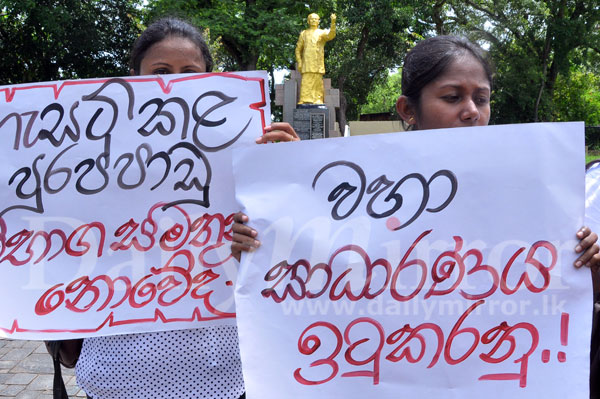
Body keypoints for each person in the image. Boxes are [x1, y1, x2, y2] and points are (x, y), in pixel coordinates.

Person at [232, 35, 600, 268]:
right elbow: (302, 268)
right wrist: (269, 224)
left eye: (481, 99)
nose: (472, 111)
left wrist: (586, 263)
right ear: (408, 109)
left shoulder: (531, 190)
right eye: (452, 97)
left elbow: (561, 292)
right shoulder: (357, 188)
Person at [75, 17, 298, 399]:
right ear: (135, 76)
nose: (172, 83)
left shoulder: (249, 147)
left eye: (188, 72)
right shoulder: (91, 150)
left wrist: (291, 173)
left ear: (209, 78)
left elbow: (288, 247)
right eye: (160, 71)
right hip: (118, 364)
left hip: (220, 365)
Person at [295, 13, 336, 104]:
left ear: (318, 21)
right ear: (308, 21)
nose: (313, 20)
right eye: (312, 19)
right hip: (307, 63)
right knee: (306, 82)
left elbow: (331, 35)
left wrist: (333, 23)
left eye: (315, 19)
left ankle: (318, 99)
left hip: (318, 63)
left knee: (317, 82)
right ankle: (304, 99)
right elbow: (298, 50)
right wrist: (300, 62)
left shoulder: (321, 32)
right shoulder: (303, 34)